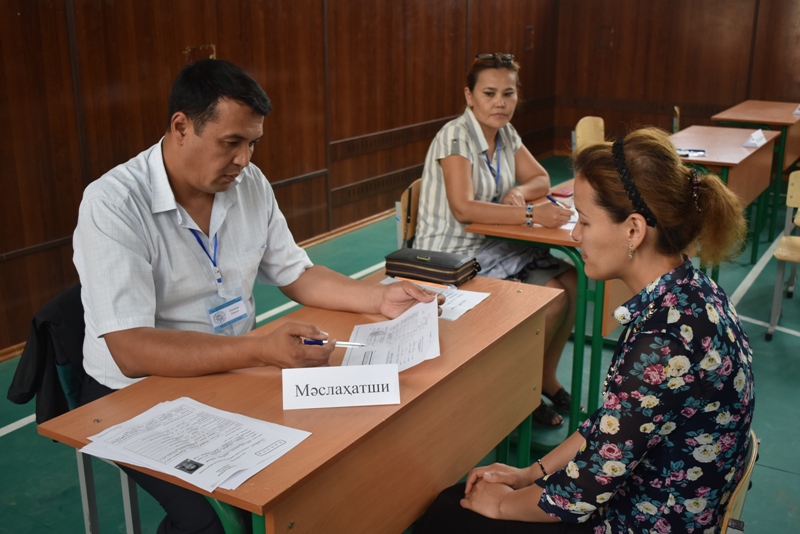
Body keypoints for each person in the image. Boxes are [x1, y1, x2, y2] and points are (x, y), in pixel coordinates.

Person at [72, 59, 440, 534]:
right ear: (181, 126)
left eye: (251, 143)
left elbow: (297, 274)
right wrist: (261, 349)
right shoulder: (113, 204)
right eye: (231, 143)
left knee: (326, 464)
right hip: (137, 392)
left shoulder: (248, 184)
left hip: (229, 369)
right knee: (217, 516)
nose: (244, 159)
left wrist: (377, 300)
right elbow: (130, 350)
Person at [414, 127, 756, 534]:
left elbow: (578, 497)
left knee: (447, 514)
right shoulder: (690, 292)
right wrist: (529, 473)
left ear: (633, 230)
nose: (575, 235)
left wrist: (503, 504)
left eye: (586, 221)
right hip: (665, 505)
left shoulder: (663, 342)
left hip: (640, 521)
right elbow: (611, 425)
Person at [415, 53, 577, 426]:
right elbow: (464, 209)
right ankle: (517, 397)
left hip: (493, 245)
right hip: (450, 254)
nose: (500, 102)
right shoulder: (455, 136)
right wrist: (532, 214)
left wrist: (518, 192)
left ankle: (544, 379)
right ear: (470, 96)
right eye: (489, 93)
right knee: (549, 301)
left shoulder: (505, 133)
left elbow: (540, 180)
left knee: (572, 280)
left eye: (508, 93)